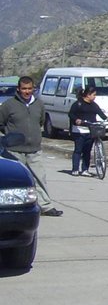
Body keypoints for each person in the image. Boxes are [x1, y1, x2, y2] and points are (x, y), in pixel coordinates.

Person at [0, 75, 62, 216]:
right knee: (15, 181)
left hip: (34, 150)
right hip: (14, 151)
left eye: (29, 88)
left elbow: (40, 121)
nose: (27, 91)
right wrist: (10, 135)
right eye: (24, 89)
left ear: (33, 88)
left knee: (40, 177)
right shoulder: (9, 105)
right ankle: (14, 207)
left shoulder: (39, 104)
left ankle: (46, 206)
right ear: (18, 89)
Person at [68, 85, 107, 176]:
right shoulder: (78, 104)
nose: (95, 96)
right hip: (79, 131)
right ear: (88, 95)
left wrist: (107, 118)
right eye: (93, 94)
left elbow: (100, 113)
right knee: (78, 150)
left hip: (90, 130)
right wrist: (76, 120)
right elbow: (71, 114)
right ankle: (75, 169)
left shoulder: (94, 105)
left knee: (87, 151)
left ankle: (85, 169)